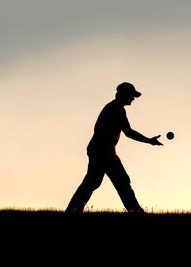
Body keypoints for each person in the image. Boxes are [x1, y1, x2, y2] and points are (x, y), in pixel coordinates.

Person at [66, 82, 163, 213]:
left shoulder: (114, 107)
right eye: (131, 95)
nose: (133, 99)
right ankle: (135, 210)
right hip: (103, 151)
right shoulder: (116, 109)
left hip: (100, 150)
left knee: (93, 182)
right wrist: (149, 141)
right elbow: (128, 132)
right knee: (120, 181)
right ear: (124, 94)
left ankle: (73, 210)